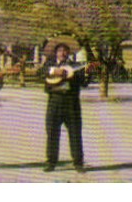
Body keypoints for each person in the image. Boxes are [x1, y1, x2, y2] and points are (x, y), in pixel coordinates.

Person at [42, 41, 90, 173]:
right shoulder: (49, 64)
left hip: (71, 102)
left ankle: (78, 163)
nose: (62, 53)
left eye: (65, 51)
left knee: (75, 133)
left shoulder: (75, 66)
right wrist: (53, 71)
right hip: (54, 101)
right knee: (52, 133)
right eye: (60, 51)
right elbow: (41, 72)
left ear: (68, 53)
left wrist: (88, 72)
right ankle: (51, 162)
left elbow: (84, 83)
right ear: (56, 53)